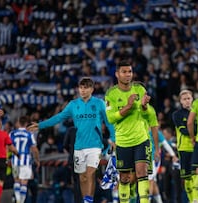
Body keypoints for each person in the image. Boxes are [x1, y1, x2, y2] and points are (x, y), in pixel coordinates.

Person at [28, 77, 115, 203]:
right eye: (81, 88)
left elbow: (108, 122)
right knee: (82, 177)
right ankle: (86, 200)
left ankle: (88, 200)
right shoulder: (73, 105)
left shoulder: (99, 103)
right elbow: (59, 117)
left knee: (90, 173)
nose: (83, 90)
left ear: (92, 89)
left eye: (86, 88)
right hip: (78, 146)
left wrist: (113, 138)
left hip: (95, 145)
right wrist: (41, 125)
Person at [105, 61, 151, 203]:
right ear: (117, 74)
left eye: (130, 72)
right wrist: (128, 106)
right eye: (124, 72)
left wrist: (144, 107)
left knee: (142, 173)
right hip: (123, 141)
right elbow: (111, 118)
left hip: (141, 139)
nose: (128, 75)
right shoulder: (111, 94)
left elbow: (147, 114)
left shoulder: (140, 90)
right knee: (124, 178)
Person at [172, 89, 195, 202]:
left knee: (197, 176)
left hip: (197, 149)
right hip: (184, 148)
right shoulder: (177, 115)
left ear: (192, 99)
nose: (187, 101)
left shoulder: (197, 113)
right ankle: (192, 200)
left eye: (188, 98)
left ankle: (197, 199)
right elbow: (184, 131)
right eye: (184, 99)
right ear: (180, 101)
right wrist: (196, 130)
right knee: (187, 178)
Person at [10, 116, 40, 203]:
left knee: (16, 180)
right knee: (24, 181)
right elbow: (34, 149)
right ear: (27, 124)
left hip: (15, 160)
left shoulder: (12, 133)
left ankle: (18, 200)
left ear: (19, 122)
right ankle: (21, 201)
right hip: (26, 161)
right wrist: (37, 160)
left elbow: (9, 146)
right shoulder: (29, 134)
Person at [0, 116, 19, 203]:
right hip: (1, 160)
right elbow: (11, 147)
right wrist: (18, 154)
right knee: (0, 183)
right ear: (0, 124)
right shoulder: (4, 134)